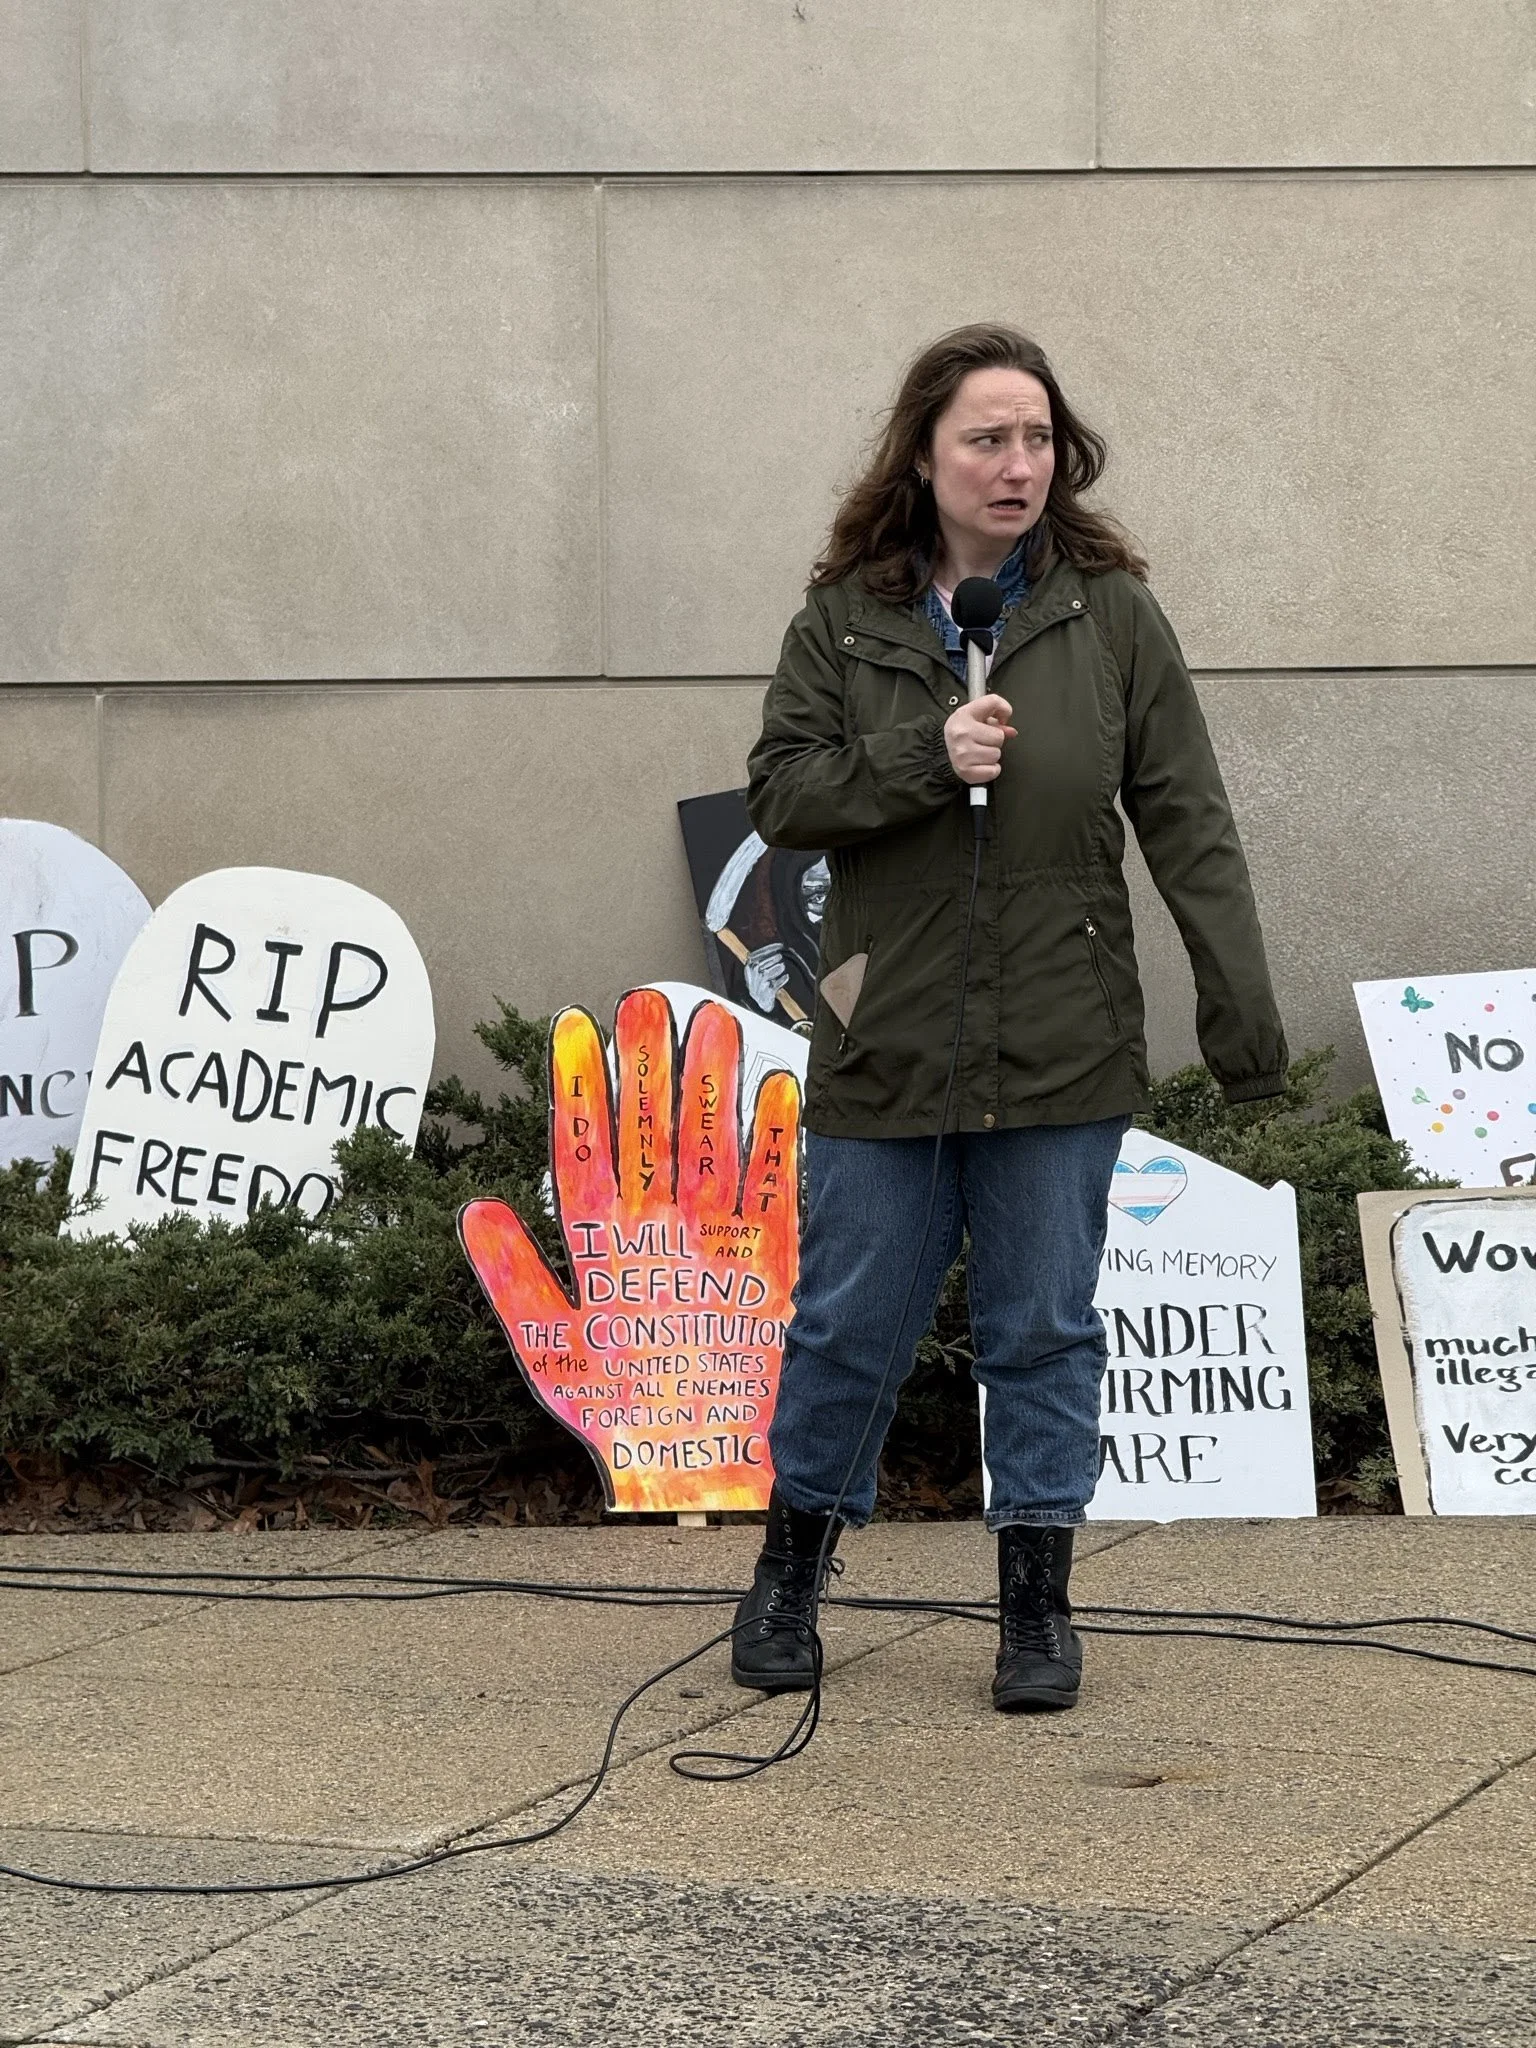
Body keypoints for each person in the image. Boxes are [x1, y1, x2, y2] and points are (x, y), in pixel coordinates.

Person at [734, 322, 1288, 1712]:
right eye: (987, 438)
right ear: (922, 456)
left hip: (1061, 1037)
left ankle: (1037, 1610)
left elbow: (1190, 824)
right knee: (848, 1323)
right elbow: (782, 795)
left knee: (1045, 1328)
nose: (1017, 464)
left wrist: (1244, 1020)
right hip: (891, 1036)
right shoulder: (844, 619)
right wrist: (929, 752)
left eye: (1038, 439)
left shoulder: (1110, 615)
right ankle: (791, 1575)